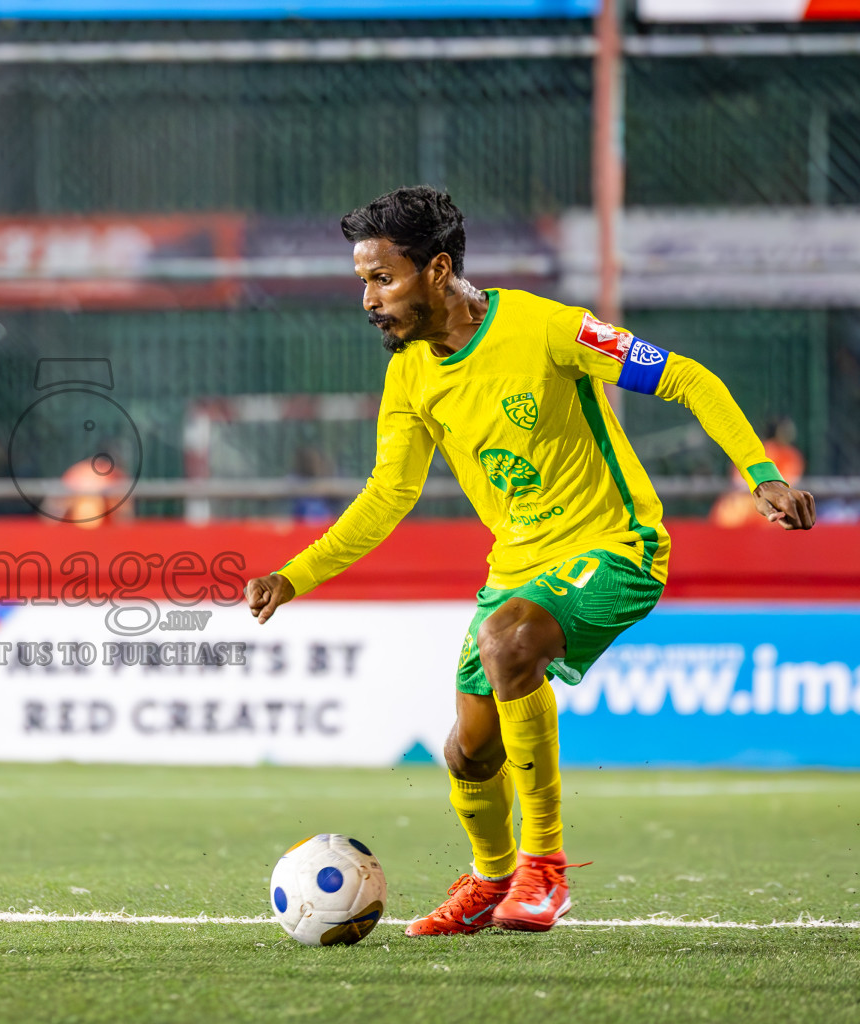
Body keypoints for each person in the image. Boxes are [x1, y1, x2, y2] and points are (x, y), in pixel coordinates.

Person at [244, 187, 814, 937]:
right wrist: (296, 576)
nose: (367, 300)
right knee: (468, 754)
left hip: (615, 547)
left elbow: (686, 378)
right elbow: (388, 495)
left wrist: (760, 473)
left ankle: (545, 870)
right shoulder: (411, 373)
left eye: (382, 279)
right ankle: (492, 877)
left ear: (437, 269)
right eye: (362, 281)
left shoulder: (549, 328)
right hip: (516, 568)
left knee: (509, 640)